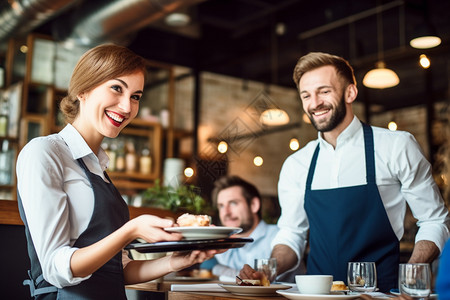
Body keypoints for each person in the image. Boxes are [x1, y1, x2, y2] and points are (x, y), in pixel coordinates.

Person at [16, 44, 218, 299]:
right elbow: (55, 269)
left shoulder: (98, 167)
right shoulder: (45, 153)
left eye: (135, 96)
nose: (126, 107)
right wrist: (130, 231)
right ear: (83, 90)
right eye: (116, 88)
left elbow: (118, 269)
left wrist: (178, 261)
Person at [239, 52, 450, 292]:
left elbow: (434, 219)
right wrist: (267, 271)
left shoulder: (395, 146)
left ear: (350, 92)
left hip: (380, 295)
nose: (314, 102)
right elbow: (291, 233)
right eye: (306, 95)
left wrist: (411, 275)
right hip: (316, 296)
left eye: (324, 91)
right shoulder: (297, 163)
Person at [204, 175, 281, 281]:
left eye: (233, 203)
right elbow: (207, 266)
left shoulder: (280, 237)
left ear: (254, 205)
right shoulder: (224, 244)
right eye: (221, 206)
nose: (226, 212)